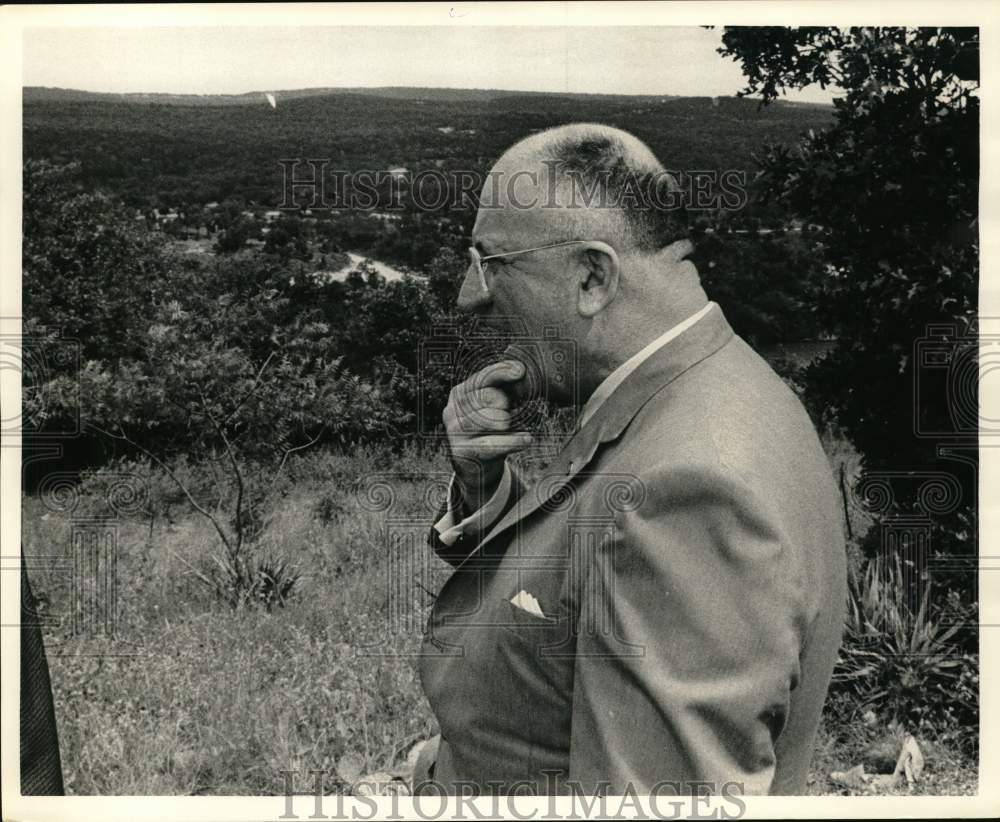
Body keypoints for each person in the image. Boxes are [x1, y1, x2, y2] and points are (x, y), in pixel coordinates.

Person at [417, 124, 847, 796]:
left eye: (490, 262)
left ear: (591, 277)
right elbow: (580, 581)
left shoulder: (688, 490)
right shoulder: (706, 389)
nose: (471, 297)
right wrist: (484, 487)